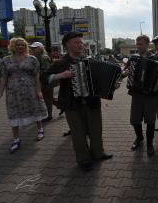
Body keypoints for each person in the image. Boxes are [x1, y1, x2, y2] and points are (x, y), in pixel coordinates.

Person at [44, 32, 114, 171]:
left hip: (92, 102)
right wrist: (60, 75)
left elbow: (100, 80)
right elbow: (44, 77)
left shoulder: (89, 60)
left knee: (96, 130)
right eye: (76, 42)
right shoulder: (62, 63)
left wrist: (111, 85)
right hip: (72, 104)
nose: (80, 45)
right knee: (78, 133)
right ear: (67, 45)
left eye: (81, 42)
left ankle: (98, 153)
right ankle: (83, 159)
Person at [0, 37, 47, 153]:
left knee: (35, 108)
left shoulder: (32, 59)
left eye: (23, 45)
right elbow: (4, 78)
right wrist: (0, 94)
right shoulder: (5, 60)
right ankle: (16, 139)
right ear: (13, 46)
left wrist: (39, 91)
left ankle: (40, 129)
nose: (21, 47)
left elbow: (36, 77)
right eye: (18, 45)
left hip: (30, 89)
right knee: (14, 113)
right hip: (13, 91)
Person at [126, 35, 158, 157]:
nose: (138, 46)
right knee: (135, 120)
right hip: (136, 94)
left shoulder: (155, 58)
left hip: (150, 95)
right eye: (137, 44)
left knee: (151, 121)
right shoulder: (133, 58)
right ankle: (140, 138)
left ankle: (150, 144)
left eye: (140, 44)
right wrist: (127, 74)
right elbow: (126, 71)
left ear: (147, 45)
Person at [29, 42, 54, 122]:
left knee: (47, 99)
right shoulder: (36, 57)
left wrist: (35, 73)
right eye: (32, 48)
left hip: (46, 82)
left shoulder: (44, 57)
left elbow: (46, 71)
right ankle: (59, 105)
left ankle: (49, 116)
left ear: (40, 48)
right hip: (40, 82)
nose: (32, 49)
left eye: (35, 48)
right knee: (45, 98)